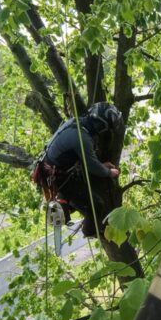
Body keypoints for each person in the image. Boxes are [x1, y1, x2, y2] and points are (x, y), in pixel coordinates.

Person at [33, 101, 124, 237]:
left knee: (84, 189)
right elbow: (91, 165)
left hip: (55, 167)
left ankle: (65, 202)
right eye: (104, 127)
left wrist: (101, 166)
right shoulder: (82, 138)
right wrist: (109, 172)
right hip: (58, 176)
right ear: (100, 124)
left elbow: (88, 159)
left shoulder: (76, 123)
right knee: (96, 204)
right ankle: (90, 231)